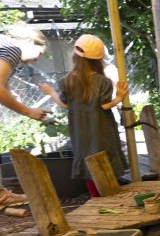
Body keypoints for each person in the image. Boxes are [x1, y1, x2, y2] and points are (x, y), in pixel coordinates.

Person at [40, 34, 128, 197]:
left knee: (88, 164)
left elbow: (65, 105)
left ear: (75, 57)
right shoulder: (102, 81)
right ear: (98, 60)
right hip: (101, 129)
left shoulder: (66, 81)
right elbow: (104, 105)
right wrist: (119, 98)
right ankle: (110, 196)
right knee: (105, 162)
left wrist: (51, 92)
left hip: (80, 132)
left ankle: (96, 198)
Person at [0, 22, 49, 122]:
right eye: (39, 53)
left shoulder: (4, 44)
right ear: (30, 41)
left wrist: (10, 93)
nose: (36, 59)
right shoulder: (13, 50)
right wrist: (29, 112)